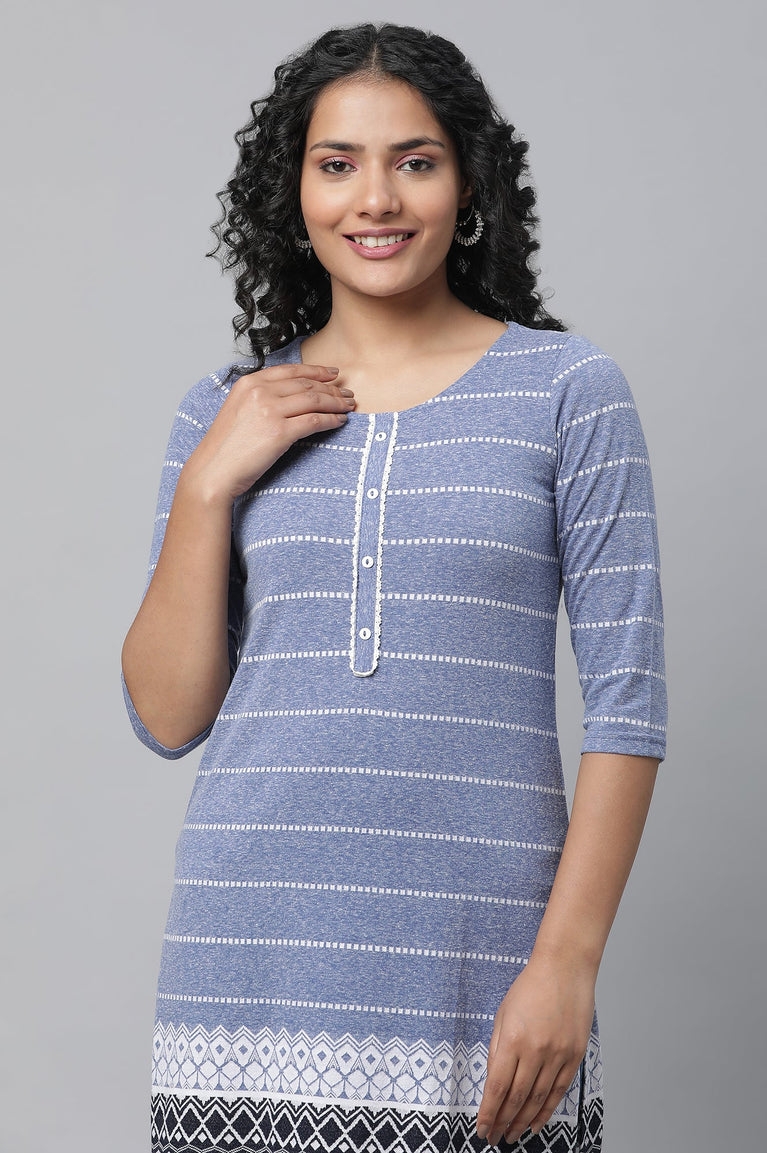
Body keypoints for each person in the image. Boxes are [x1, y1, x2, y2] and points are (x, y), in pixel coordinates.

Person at [122, 22, 665, 1153]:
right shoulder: (222, 412)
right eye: (338, 164)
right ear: (296, 192)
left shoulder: (567, 391)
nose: (375, 198)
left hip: (478, 958)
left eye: (414, 161)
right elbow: (167, 717)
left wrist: (565, 965)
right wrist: (210, 483)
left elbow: (628, 706)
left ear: (467, 184)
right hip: (246, 962)